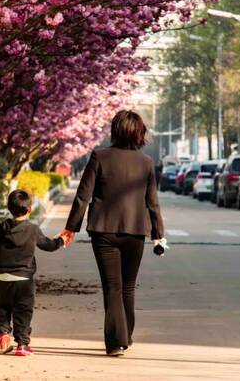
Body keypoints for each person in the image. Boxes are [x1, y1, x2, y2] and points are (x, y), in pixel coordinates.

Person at [61, 109, 166, 357]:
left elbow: (83, 196)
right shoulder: (146, 162)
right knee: (127, 287)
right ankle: (125, 336)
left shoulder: (100, 156)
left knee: (113, 288)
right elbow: (153, 202)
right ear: (139, 133)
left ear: (115, 130)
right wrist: (158, 235)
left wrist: (71, 228)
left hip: (103, 231)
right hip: (135, 233)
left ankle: (116, 342)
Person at [0, 189, 70, 356]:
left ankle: (3, 334)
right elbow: (49, 245)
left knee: (3, 307)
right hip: (24, 278)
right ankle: (22, 345)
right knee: (23, 310)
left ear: (9, 208)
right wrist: (61, 240)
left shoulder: (2, 227)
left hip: (4, 277)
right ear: (29, 209)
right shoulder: (33, 230)